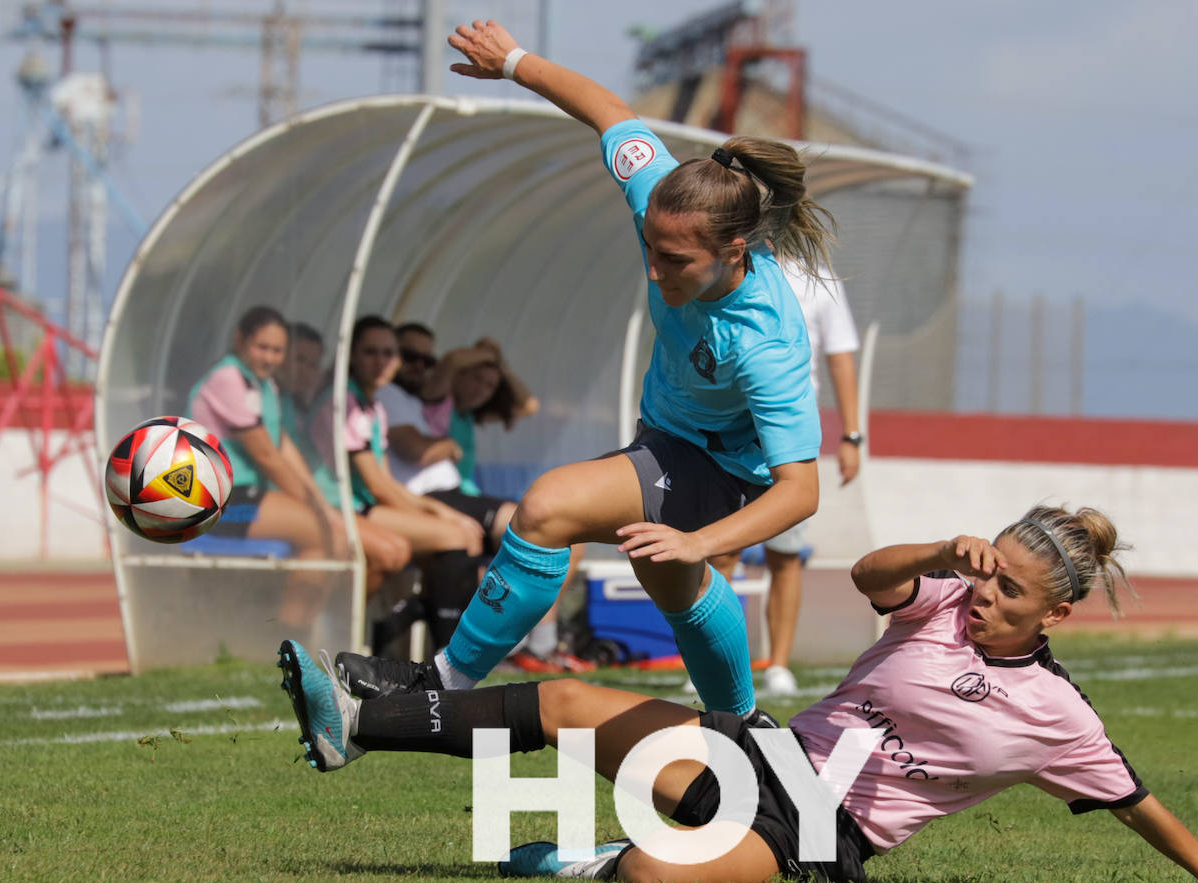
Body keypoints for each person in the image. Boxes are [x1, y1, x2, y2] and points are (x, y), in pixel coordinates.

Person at [276, 503, 1198, 883]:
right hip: (768, 755)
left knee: (646, 872)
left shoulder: (1058, 717)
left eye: (1010, 593)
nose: (986, 595)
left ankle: (581, 856)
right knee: (572, 701)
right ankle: (361, 720)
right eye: (989, 574)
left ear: (1057, 615)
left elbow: (1136, 801)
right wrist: (944, 549)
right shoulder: (943, 597)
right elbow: (868, 576)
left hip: (827, 827)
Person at [334, 19, 833, 724]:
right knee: (672, 585)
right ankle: (743, 730)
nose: (655, 272)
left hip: (726, 472)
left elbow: (801, 490)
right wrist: (512, 61)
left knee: (547, 508)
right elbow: (610, 113)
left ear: (736, 251)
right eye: (650, 249)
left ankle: (440, 680)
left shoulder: (763, 342)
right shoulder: (665, 194)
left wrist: (699, 538)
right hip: (668, 436)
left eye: (676, 261)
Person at [380, 323, 587, 670]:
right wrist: (482, 355)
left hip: (458, 496)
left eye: (425, 359)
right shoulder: (419, 397)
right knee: (541, 533)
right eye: (409, 356)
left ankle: (539, 644)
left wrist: (497, 364)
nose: (420, 365)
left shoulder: (452, 407)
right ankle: (515, 645)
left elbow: (528, 404)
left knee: (566, 541)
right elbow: (449, 365)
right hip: (436, 498)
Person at [711, 260, 863, 695]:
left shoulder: (823, 278)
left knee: (784, 554)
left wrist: (851, 435)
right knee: (721, 552)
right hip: (731, 429)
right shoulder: (729, 264)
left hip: (790, 433)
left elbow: (840, 356)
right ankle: (713, 661)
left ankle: (778, 665)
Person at [308, 315, 485, 653]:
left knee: (461, 533)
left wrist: (439, 510)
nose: (381, 361)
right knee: (454, 537)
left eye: (389, 353)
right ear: (352, 356)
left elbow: (386, 482)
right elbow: (378, 487)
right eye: (371, 352)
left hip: (360, 506)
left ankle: (427, 634)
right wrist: (444, 517)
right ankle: (442, 648)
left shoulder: (372, 405)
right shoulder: (342, 401)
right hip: (335, 507)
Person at [188, 306, 356, 629]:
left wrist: (321, 502)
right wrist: (320, 509)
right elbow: (267, 456)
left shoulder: (264, 385)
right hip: (218, 504)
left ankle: (298, 631)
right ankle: (288, 637)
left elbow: (283, 447)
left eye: (277, 351)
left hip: (243, 495)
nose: (269, 358)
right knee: (329, 535)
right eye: (261, 347)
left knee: (335, 534)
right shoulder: (228, 378)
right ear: (240, 341)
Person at [274, 321, 413, 598]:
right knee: (389, 551)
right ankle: (330, 625)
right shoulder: (334, 402)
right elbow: (377, 485)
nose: (304, 370)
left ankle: (345, 626)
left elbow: (383, 480)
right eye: (297, 360)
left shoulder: (296, 405)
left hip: (328, 503)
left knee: (398, 551)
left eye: (312, 364)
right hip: (317, 503)